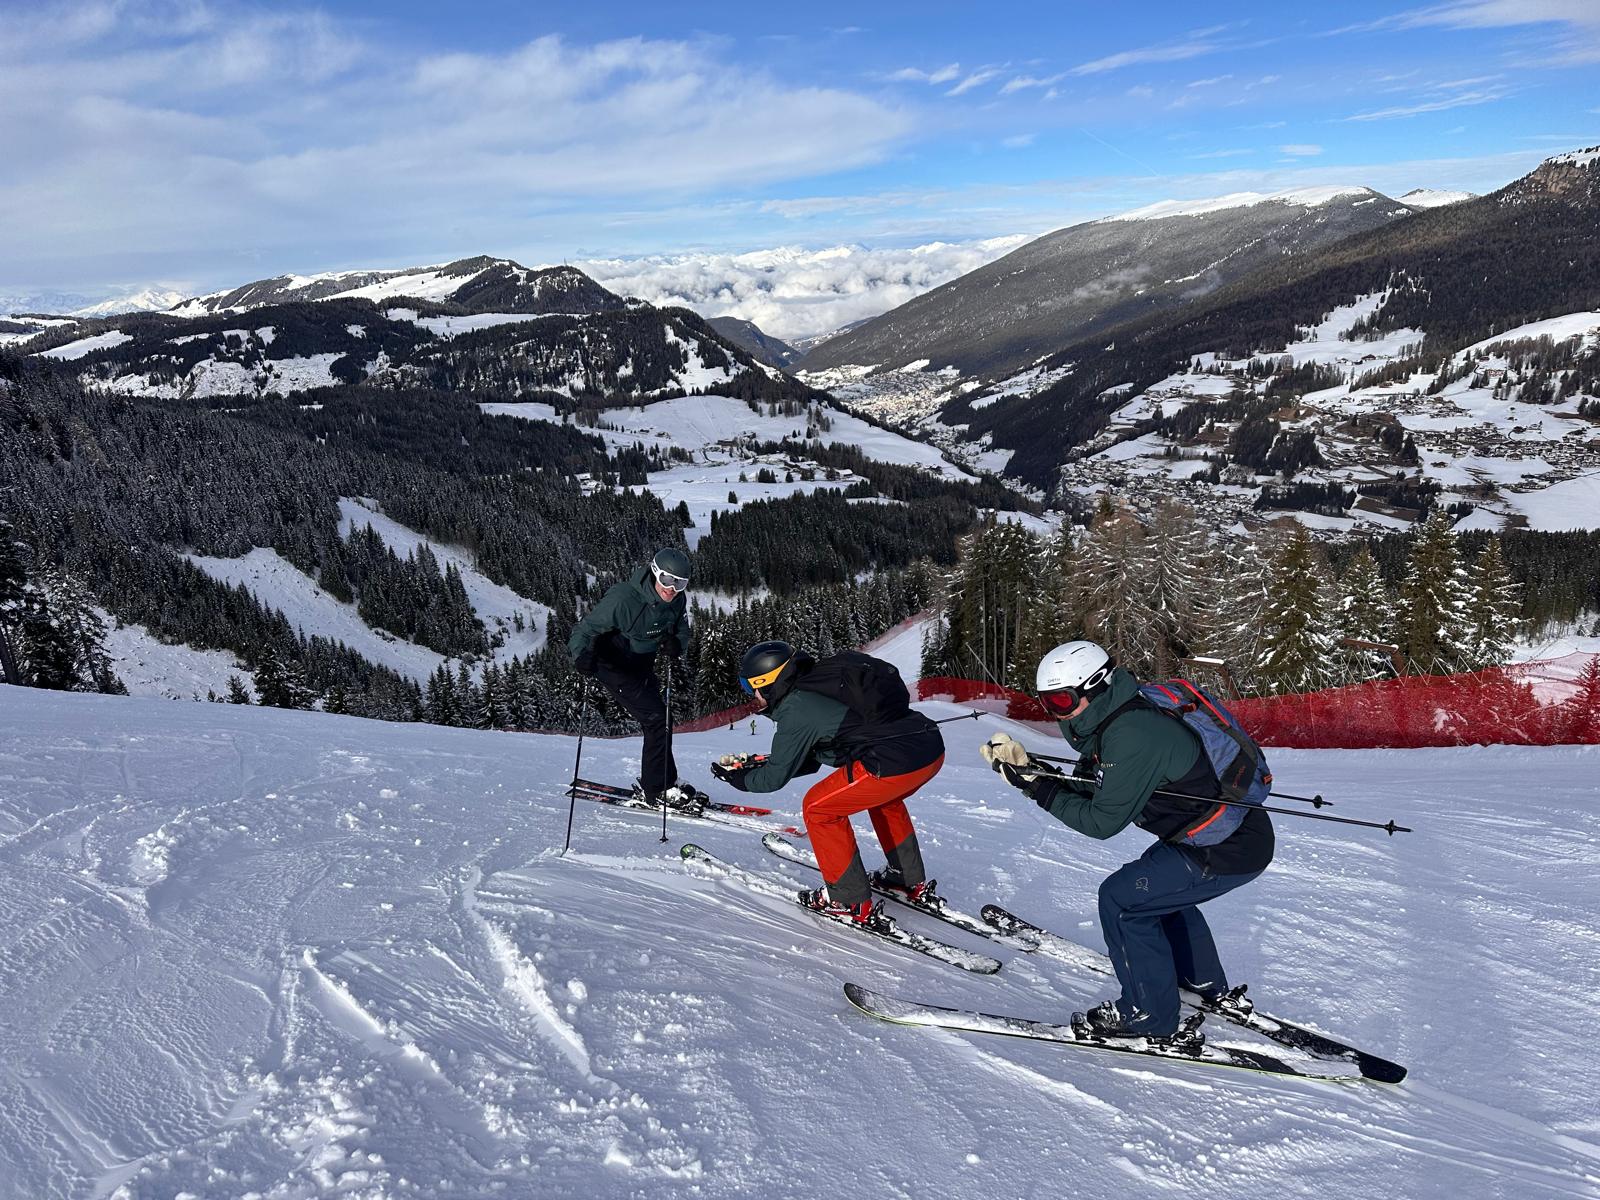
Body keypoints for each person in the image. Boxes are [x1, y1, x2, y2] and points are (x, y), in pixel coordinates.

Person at [985, 640, 1273, 1045]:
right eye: (1047, 702)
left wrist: (1038, 789)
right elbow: (1099, 786)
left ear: (1097, 685)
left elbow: (1102, 821)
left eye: (1064, 700)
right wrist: (1038, 773)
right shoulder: (1117, 716)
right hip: (1219, 835)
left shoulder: (1131, 733)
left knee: (1123, 902)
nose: (1056, 712)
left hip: (1225, 846)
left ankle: (1149, 1016)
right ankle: (1201, 982)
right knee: (1159, 894)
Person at [710, 641, 945, 923]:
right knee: (882, 800)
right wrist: (768, 764)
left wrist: (739, 778)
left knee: (818, 809)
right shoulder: (817, 682)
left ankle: (848, 900)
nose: (753, 696)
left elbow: (772, 780)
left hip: (891, 762)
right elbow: (807, 759)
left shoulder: (796, 707)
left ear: (770, 682)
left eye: (751, 688)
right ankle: (905, 879)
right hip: (927, 747)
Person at [567, 548, 701, 810]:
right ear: (654, 573)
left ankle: (662, 780)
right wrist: (580, 655)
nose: (672, 589)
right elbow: (585, 629)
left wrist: (677, 644)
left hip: (641, 663)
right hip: (612, 662)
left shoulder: (677, 601)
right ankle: (657, 789)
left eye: (680, 583)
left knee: (661, 720)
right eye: (667, 580)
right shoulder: (623, 598)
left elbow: (681, 630)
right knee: (656, 719)